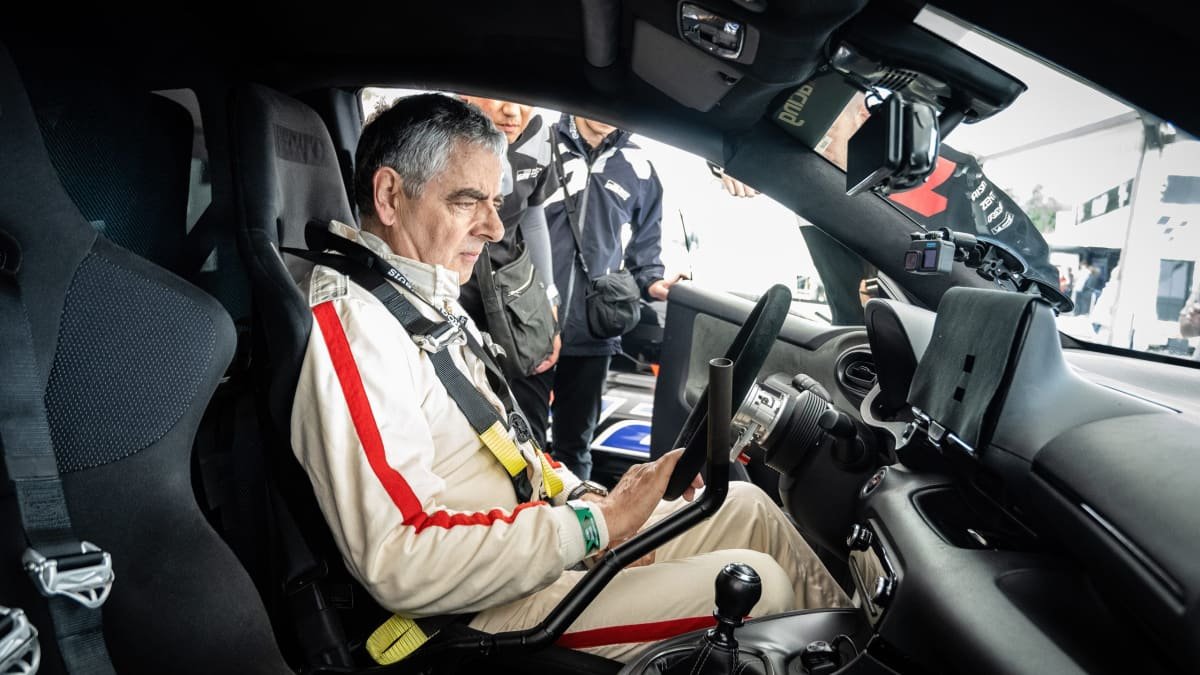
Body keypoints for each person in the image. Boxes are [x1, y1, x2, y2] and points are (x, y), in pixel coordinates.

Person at [289, 94, 848, 663]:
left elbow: (509, 447)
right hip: (476, 612)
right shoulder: (358, 325)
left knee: (746, 508)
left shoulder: (420, 294)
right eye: (467, 202)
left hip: (527, 546)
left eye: (496, 202)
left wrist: (593, 500)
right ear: (389, 195)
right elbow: (401, 558)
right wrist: (595, 525)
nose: (492, 225)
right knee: (759, 585)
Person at [545, 114, 685, 480]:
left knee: (574, 447)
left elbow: (646, 249)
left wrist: (654, 283)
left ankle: (577, 526)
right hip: (532, 324)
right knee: (519, 434)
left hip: (595, 330)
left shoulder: (639, 166)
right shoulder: (540, 145)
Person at [457, 95, 559, 448]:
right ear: (465, 94)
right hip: (454, 289)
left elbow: (534, 216)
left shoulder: (539, 136)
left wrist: (548, 301)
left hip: (512, 291)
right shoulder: (443, 132)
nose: (513, 111)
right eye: (499, 97)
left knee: (528, 425)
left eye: (526, 100)